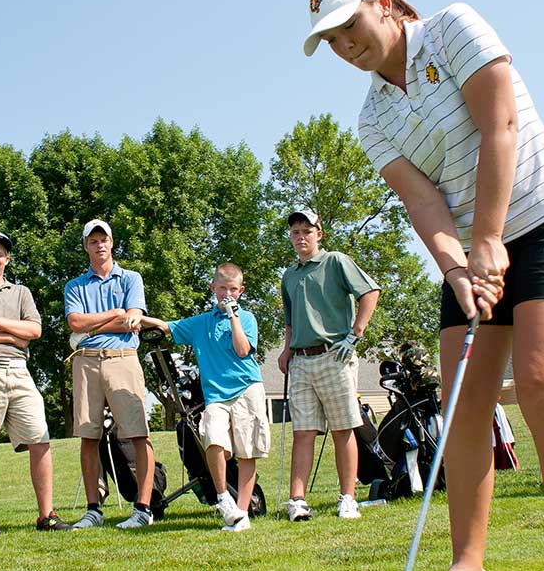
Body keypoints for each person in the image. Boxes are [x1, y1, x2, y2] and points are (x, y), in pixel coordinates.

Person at [302, 0, 544, 568]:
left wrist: (490, 239)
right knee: (463, 400)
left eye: (349, 27)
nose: (345, 46)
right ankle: (465, 560)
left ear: (383, 2)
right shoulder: (371, 120)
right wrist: (455, 268)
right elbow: (424, 202)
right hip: (472, 254)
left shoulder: (453, 28)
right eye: (331, 40)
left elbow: (502, 127)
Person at [0, 231, 71, 537]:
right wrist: (9, 336)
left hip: (19, 370)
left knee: (39, 437)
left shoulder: (21, 292)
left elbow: (34, 330)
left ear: (7, 260)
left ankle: (47, 515)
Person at [141, 263, 268, 532]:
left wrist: (233, 316)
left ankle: (242, 513)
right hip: (217, 398)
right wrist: (135, 318)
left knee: (247, 453)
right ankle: (224, 499)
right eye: (222, 289)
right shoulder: (200, 323)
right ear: (213, 288)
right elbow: (167, 327)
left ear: (241, 291)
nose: (227, 294)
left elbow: (243, 350)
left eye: (233, 290)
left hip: (247, 389)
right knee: (212, 438)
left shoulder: (247, 319)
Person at [278, 210, 379, 521]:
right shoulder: (289, 276)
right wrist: (285, 351)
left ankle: (348, 498)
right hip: (302, 360)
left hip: (335, 355)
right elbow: (291, 320)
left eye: (306, 230)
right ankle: (298, 500)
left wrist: (356, 332)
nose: (300, 236)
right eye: (295, 231)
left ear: (318, 234)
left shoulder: (335, 261)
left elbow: (370, 291)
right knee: (303, 431)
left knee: (343, 428)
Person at [63, 219, 156, 529]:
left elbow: (133, 320)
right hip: (86, 361)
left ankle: (142, 508)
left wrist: (97, 325)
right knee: (88, 436)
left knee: (138, 433)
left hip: (123, 357)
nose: (99, 245)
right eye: (93, 241)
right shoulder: (74, 286)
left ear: (112, 242)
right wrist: (115, 315)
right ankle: (93, 510)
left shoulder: (131, 278)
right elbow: (75, 323)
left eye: (104, 239)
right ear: (86, 245)